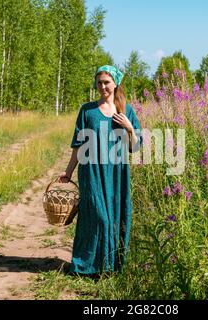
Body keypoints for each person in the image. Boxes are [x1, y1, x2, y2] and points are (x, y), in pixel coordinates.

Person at [57, 65, 143, 276]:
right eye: (99, 82)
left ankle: (109, 266)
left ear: (115, 83)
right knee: (97, 217)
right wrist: (68, 172)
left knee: (115, 216)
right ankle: (85, 266)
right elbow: (78, 145)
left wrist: (130, 128)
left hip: (117, 173)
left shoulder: (126, 111)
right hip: (92, 172)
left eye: (107, 82)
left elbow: (136, 147)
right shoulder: (87, 111)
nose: (103, 86)